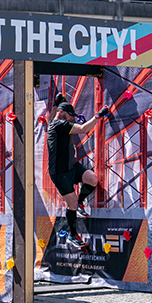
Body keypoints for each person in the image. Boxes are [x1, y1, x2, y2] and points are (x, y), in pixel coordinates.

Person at [47, 93, 109, 248]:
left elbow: (52, 115)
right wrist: (99, 115)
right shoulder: (59, 125)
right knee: (71, 204)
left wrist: (56, 102)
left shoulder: (54, 121)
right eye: (70, 116)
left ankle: (81, 202)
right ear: (62, 114)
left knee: (92, 179)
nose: (71, 119)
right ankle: (73, 235)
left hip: (72, 166)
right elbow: (83, 129)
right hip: (60, 173)